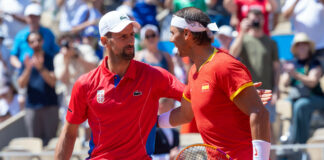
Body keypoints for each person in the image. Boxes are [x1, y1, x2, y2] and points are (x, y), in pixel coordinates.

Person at [55, 10, 271, 160]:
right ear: (104, 41)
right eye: (123, 36)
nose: (131, 40)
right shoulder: (85, 84)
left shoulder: (154, 75)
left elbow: (194, 103)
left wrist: (236, 95)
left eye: (132, 34)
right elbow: (69, 133)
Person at [157, 7, 271, 160]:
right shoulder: (193, 71)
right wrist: (152, 122)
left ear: (186, 34)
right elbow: (185, 113)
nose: (170, 39)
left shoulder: (224, 65)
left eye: (172, 33)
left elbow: (259, 113)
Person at [229, 8, 280, 146]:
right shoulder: (243, 39)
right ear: (247, 19)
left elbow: (276, 69)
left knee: (269, 131)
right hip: (248, 93)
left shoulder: (271, 42)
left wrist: (276, 90)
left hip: (267, 93)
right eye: (253, 17)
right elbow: (232, 55)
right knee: (251, 130)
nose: (257, 20)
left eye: (259, 16)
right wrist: (241, 33)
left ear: (263, 20)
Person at [281, 33, 324, 144]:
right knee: (284, 104)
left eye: (304, 44)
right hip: (295, 98)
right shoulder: (292, 63)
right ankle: (285, 138)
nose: (302, 46)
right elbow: (284, 83)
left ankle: (300, 142)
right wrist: (288, 72)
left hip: (315, 97)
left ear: (309, 47)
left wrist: (295, 74)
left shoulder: (315, 63)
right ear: (295, 48)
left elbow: (312, 82)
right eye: (299, 44)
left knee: (301, 105)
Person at [18, 31, 58, 146]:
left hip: (50, 106)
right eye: (32, 41)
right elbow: (21, 84)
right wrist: (28, 68)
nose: (36, 43)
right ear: (29, 44)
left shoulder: (50, 58)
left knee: (51, 144)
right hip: (32, 107)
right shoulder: (26, 61)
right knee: (34, 143)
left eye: (38, 40)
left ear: (43, 41)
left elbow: (52, 82)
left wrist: (41, 68)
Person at [10, 2, 59, 69]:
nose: (33, 19)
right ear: (26, 18)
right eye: (30, 16)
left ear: (39, 17)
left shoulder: (48, 33)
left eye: (35, 16)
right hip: (26, 71)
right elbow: (13, 56)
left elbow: (56, 51)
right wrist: (22, 68)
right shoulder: (20, 35)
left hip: (46, 69)